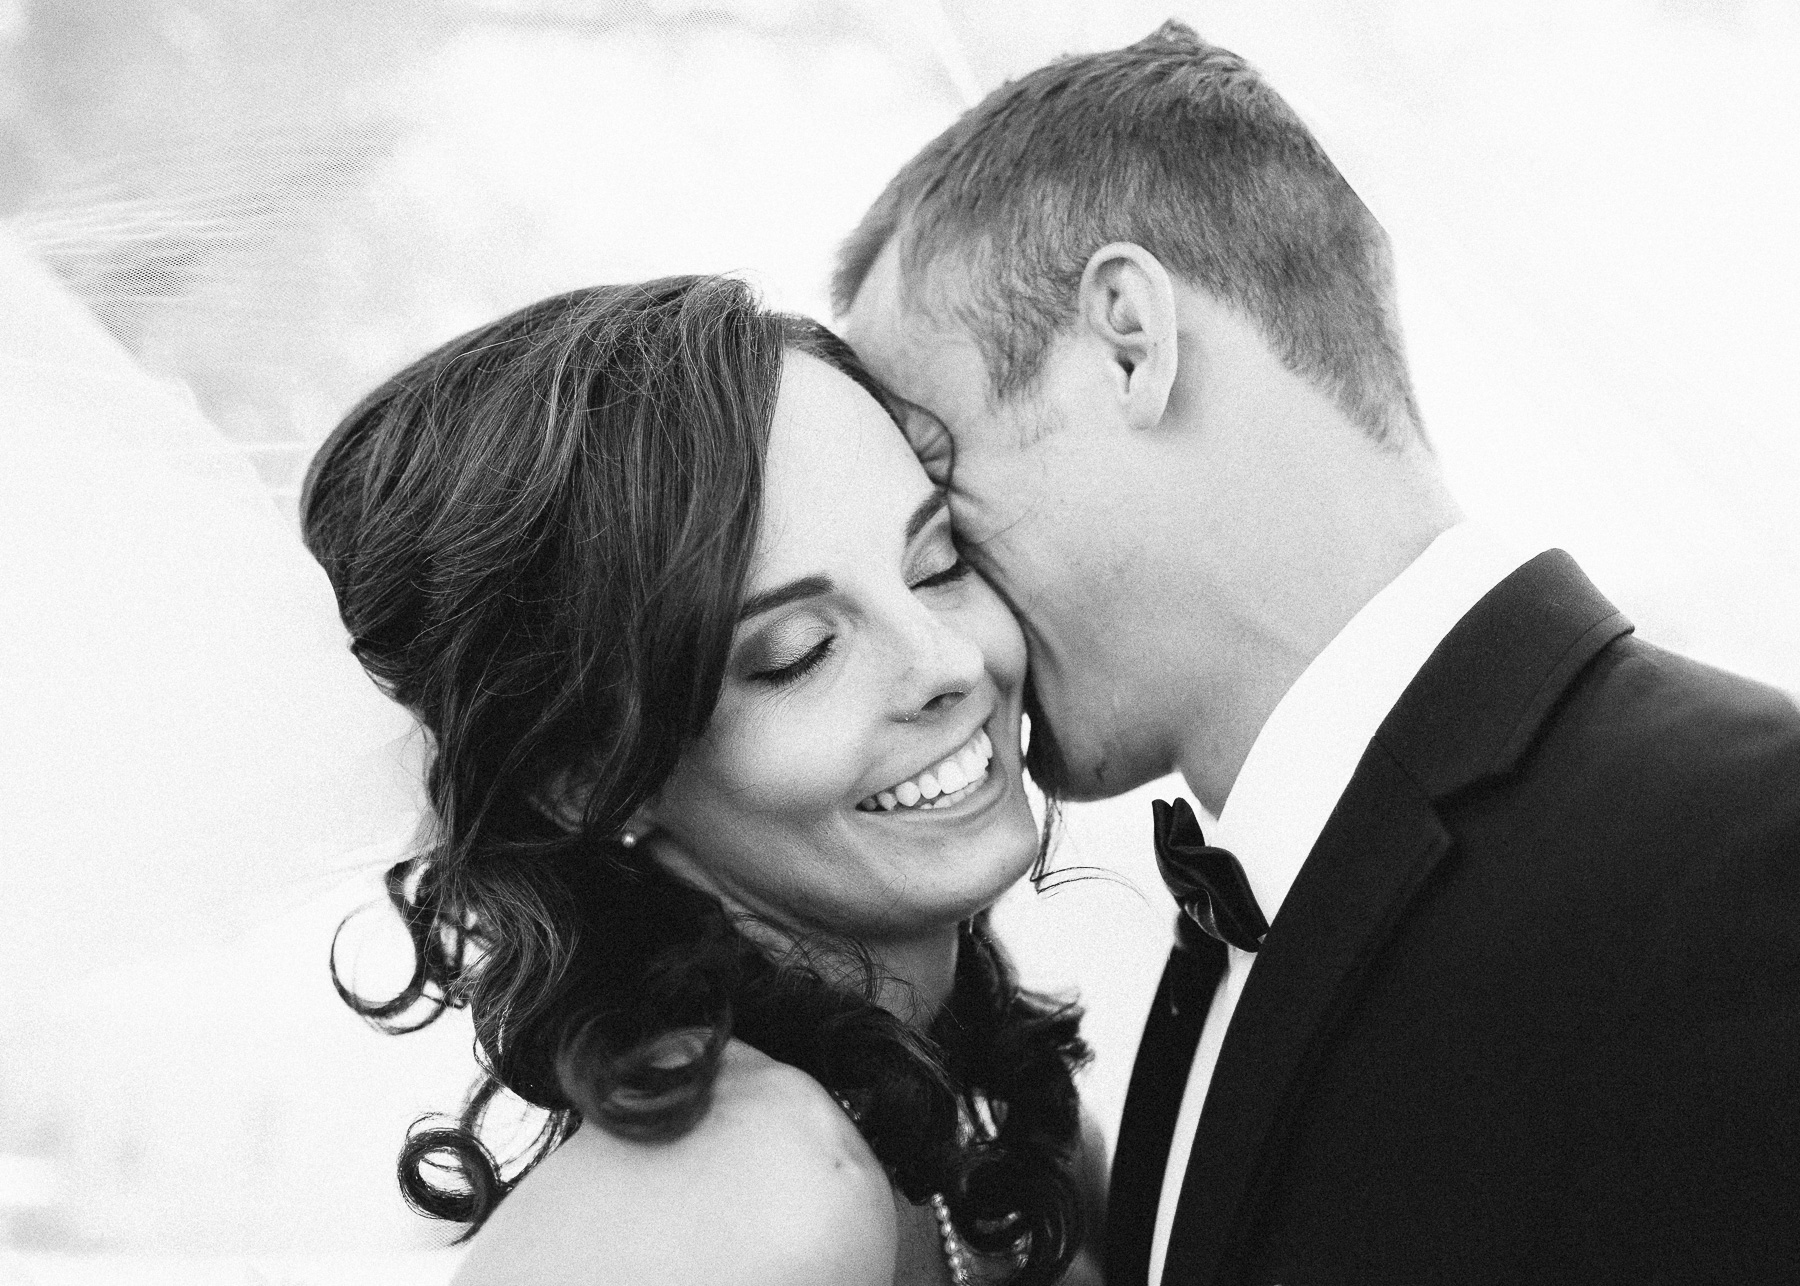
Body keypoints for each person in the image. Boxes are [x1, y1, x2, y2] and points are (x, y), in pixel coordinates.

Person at [835, 21, 1800, 1286]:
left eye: (937, 480)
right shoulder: (1228, 929)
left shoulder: (1748, 850)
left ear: (1131, 339)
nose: (947, 620)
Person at [301, 276, 1107, 1285]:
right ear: (588, 776)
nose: (945, 661)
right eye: (798, 650)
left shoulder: (975, 1110)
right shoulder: (755, 1197)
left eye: (937, 561)